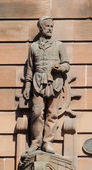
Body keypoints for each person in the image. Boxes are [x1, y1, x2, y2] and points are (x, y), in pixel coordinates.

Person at [23, 16, 70, 154]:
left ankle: (47, 143)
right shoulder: (33, 47)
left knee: (52, 113)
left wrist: (60, 68)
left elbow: (66, 64)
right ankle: (35, 142)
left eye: (51, 27)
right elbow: (30, 68)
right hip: (37, 82)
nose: (50, 29)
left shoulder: (59, 45)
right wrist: (27, 85)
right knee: (36, 112)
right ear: (40, 28)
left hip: (54, 82)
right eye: (47, 26)